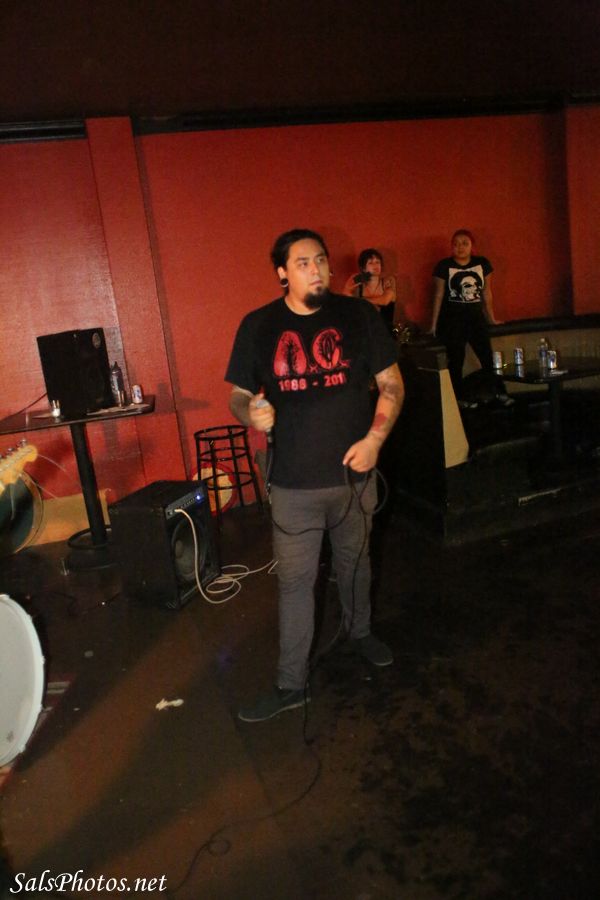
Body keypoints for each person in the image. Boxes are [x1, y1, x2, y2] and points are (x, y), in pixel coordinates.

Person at [225, 228, 405, 723]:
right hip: (293, 484)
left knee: (356, 563)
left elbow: (391, 384)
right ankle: (290, 684)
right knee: (296, 584)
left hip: (354, 478)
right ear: (282, 273)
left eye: (321, 260)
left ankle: (360, 633)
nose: (316, 269)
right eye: (303, 262)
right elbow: (238, 394)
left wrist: (375, 441)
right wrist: (250, 413)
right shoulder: (259, 325)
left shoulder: (359, 315)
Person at [429, 229, 512, 408]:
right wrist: (433, 324)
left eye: (464, 243)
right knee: (456, 360)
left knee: (487, 357)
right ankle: (458, 399)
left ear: (472, 246)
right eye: (456, 244)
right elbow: (438, 294)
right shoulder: (444, 265)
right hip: (452, 320)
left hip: (475, 318)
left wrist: (491, 318)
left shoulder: (482, 264)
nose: (460, 247)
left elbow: (487, 292)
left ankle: (499, 392)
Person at [343, 248, 397, 333]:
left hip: (385, 334)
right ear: (364, 268)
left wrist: (359, 301)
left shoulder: (388, 280)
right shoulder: (359, 287)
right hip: (364, 333)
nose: (375, 265)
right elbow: (346, 299)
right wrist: (348, 287)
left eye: (377, 262)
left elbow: (385, 301)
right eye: (371, 263)